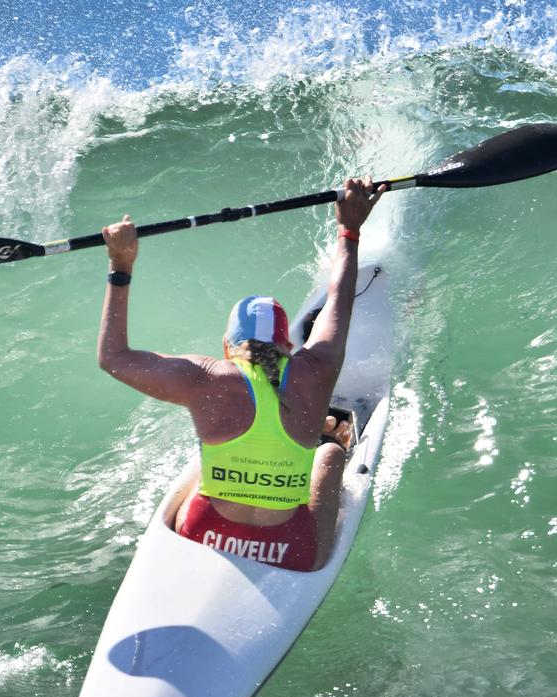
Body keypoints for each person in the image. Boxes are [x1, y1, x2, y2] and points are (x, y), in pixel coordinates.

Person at [97, 177, 387, 571]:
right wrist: (349, 230)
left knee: (207, 457)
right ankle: (330, 437)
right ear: (288, 345)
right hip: (291, 548)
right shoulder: (316, 370)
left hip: (203, 531)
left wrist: (120, 265)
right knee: (331, 455)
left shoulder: (202, 378)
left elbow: (113, 357)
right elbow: (340, 299)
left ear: (226, 347)